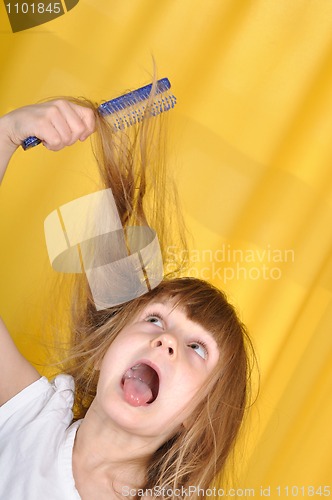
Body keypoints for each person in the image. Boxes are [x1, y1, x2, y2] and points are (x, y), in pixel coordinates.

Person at [0, 97, 254, 499]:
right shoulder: (31, 418)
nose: (166, 341)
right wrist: (8, 131)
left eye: (197, 348)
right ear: (104, 352)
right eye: (154, 319)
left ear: (199, 416)